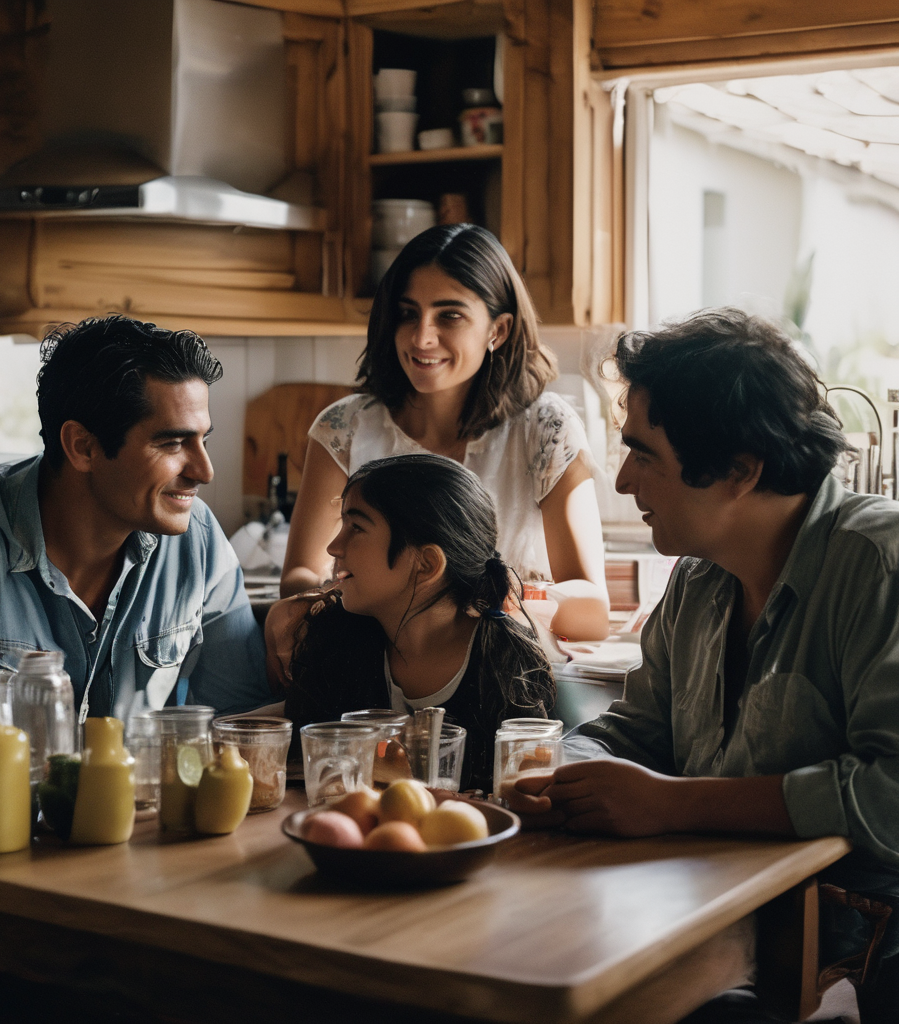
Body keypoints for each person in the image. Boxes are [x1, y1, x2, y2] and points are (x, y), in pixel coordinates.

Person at [508, 309, 899, 1021]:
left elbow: (891, 796)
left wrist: (672, 803)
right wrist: (555, 768)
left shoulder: (877, 564)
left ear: (740, 471)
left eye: (643, 454)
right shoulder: (696, 579)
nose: (623, 481)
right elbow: (639, 730)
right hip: (716, 926)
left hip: (856, 964)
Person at [0, 315, 271, 721]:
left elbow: (242, 727)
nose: (204, 472)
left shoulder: (198, 536)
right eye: (171, 443)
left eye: (203, 440)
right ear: (82, 446)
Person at [280, 224, 609, 641]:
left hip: (510, 685)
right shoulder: (343, 429)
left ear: (499, 330)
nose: (422, 337)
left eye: (449, 315)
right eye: (408, 313)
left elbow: (592, 610)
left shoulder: (547, 431)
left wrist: (502, 596)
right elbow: (298, 576)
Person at [275, 453, 556, 794]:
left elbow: (523, 789)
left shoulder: (506, 661)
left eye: (357, 528)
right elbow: (306, 769)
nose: (334, 547)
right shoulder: (335, 639)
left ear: (425, 564)